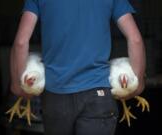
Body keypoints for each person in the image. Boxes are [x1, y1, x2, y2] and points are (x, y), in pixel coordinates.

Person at [10, 0, 146, 135]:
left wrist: (17, 83)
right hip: (97, 93)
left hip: (56, 95)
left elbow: (21, 42)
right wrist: (138, 82)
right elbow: (135, 39)